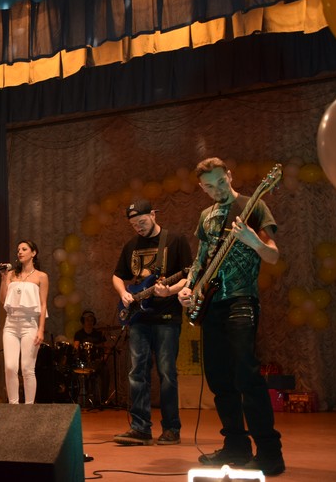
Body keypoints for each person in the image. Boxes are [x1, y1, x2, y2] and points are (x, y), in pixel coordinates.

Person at [177, 158, 285, 476]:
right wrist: (190, 288)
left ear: (229, 175)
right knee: (219, 378)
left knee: (246, 375)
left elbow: (273, 255)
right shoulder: (206, 216)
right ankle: (236, 445)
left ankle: (270, 453)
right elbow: (201, 259)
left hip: (241, 299)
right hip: (212, 305)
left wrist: (253, 240)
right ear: (202, 188)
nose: (217, 190)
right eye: (209, 187)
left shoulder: (254, 205)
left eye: (221, 182)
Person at [112, 199, 192, 445]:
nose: (138, 227)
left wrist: (170, 291)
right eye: (134, 224)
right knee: (137, 372)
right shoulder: (131, 245)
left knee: (167, 373)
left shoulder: (175, 240)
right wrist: (123, 293)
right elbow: (117, 276)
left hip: (167, 317)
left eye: (142, 221)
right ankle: (140, 428)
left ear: (154, 215)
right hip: (139, 318)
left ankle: (171, 429)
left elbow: (189, 275)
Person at [0, 240, 49, 404]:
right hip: (11, 324)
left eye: (24, 249)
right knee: (10, 367)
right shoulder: (11, 274)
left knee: (27, 368)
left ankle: (29, 408)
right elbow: (3, 300)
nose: (20, 252)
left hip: (30, 325)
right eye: (18, 249)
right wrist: (3, 279)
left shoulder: (41, 276)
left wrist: (41, 329)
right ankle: (13, 405)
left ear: (33, 253)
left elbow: (43, 304)